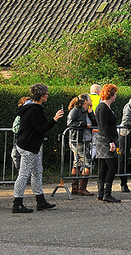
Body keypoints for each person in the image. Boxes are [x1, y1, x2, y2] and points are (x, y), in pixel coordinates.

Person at [12, 83, 64, 213]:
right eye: (46, 94)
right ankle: (17, 203)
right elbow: (40, 128)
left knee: (37, 171)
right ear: (41, 96)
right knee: (24, 174)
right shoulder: (35, 109)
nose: (47, 96)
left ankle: (40, 201)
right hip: (29, 146)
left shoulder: (28, 107)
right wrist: (55, 119)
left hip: (27, 144)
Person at [94, 84, 121, 203]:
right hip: (106, 140)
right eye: (114, 94)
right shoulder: (103, 107)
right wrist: (111, 141)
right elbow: (104, 125)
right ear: (111, 95)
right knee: (112, 166)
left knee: (104, 166)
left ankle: (101, 193)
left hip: (104, 139)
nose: (115, 96)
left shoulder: (104, 107)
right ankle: (107, 193)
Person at [67, 94, 97, 196]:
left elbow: (95, 123)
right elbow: (70, 123)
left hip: (86, 140)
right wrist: (83, 124)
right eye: (89, 99)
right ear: (85, 101)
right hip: (77, 140)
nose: (91, 101)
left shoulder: (87, 112)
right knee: (88, 163)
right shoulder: (76, 110)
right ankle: (81, 188)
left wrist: (91, 113)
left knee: (77, 162)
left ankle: (75, 188)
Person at [11, 96, 32, 172]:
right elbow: (15, 127)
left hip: (28, 140)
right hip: (20, 139)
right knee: (15, 155)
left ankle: (25, 173)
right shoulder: (19, 116)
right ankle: (21, 171)